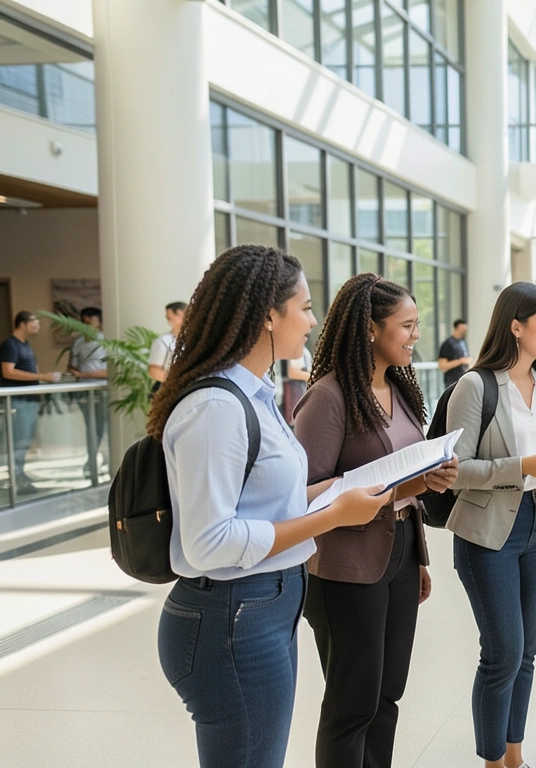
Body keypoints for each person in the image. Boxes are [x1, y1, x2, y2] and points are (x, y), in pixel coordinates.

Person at [150, 245, 392, 768]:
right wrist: (332, 517)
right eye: (304, 307)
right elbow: (210, 541)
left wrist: (341, 491)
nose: (313, 320)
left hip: (264, 604)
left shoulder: (256, 394)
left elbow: (269, 501)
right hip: (233, 613)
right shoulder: (215, 407)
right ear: (267, 315)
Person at [293, 274, 459, 768]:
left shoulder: (400, 390)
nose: (415, 335)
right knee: (353, 704)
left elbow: (400, 485)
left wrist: (426, 486)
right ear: (370, 328)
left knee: (387, 695)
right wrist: (378, 490)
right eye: (407, 325)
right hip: (345, 565)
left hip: (399, 553)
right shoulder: (329, 397)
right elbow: (299, 495)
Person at [443, 282, 536, 768]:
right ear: (516, 327)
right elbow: (454, 470)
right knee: (502, 652)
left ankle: (515, 757)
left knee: (525, 654)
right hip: (489, 533)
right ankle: (491, 762)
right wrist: (522, 467)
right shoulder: (476, 386)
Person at [1, 311, 61, 493]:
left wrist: (42, 378)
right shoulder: (10, 345)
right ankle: (16, 478)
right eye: (35, 323)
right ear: (23, 324)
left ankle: (20, 474)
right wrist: (42, 376)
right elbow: (8, 371)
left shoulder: (25, 345)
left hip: (29, 401)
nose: (37, 327)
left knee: (25, 440)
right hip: (17, 402)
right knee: (18, 440)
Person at [68, 307, 109, 480]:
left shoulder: (106, 341)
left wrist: (84, 374)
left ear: (98, 322)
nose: (86, 326)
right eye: (83, 322)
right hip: (84, 392)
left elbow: (110, 372)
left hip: (102, 391)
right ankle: (91, 462)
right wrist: (77, 373)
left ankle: (102, 462)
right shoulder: (78, 342)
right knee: (91, 428)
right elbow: (72, 367)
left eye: (89, 322)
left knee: (102, 428)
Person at [148, 302, 187, 393]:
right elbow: (154, 370)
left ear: (180, 314)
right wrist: (177, 383)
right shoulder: (163, 342)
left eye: (169, 317)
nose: (168, 321)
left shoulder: (195, 340)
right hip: (167, 390)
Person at [280, 346, 312, 425]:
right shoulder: (296, 348)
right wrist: (314, 376)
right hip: (294, 394)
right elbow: (292, 373)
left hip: (298, 394)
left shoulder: (302, 349)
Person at [437, 319, 471, 389]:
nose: (465, 330)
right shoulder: (448, 344)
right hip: (452, 383)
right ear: (456, 328)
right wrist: (461, 361)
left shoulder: (463, 342)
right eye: (462, 328)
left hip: (463, 380)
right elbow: (442, 366)